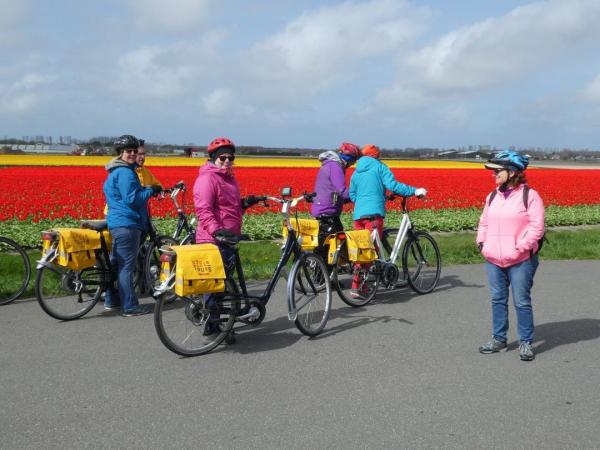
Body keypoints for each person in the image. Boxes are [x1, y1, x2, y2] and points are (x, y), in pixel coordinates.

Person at [477, 150, 545, 361]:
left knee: (521, 301)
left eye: (497, 170)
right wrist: (482, 244)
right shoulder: (492, 196)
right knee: (497, 299)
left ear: (512, 172)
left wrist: (521, 247)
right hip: (493, 258)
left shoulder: (529, 196)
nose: (493, 174)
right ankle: (499, 339)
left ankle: (525, 342)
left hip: (520, 259)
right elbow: (484, 222)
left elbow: (537, 227)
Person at [193, 137, 259, 335]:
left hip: (229, 237)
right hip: (214, 239)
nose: (227, 161)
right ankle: (211, 328)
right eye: (222, 158)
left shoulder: (228, 177)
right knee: (215, 285)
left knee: (222, 285)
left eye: (231, 157)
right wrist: (216, 231)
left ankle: (221, 324)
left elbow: (228, 207)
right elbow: (203, 209)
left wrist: (245, 203)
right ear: (213, 158)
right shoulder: (208, 178)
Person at [348, 144, 427, 298]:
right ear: (376, 156)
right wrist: (414, 190)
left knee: (361, 249)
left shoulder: (356, 172)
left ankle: (362, 283)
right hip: (374, 214)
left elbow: (352, 194)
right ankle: (358, 287)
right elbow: (393, 185)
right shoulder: (380, 167)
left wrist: (372, 200)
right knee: (370, 251)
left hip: (358, 215)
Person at [103, 134, 162, 316]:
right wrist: (150, 191)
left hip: (116, 222)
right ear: (120, 153)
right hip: (128, 223)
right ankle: (130, 306)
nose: (132, 154)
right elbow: (132, 199)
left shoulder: (115, 171)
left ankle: (112, 300)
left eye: (134, 151)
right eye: (128, 151)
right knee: (127, 267)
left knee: (116, 264)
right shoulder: (126, 173)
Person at [311, 142, 361, 261]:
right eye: (354, 160)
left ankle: (325, 274)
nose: (353, 164)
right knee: (332, 246)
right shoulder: (335, 166)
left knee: (326, 244)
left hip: (323, 208)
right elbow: (342, 191)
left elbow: (335, 192)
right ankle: (324, 276)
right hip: (328, 211)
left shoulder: (329, 164)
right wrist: (361, 197)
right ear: (349, 158)